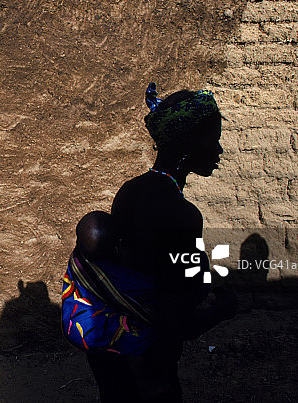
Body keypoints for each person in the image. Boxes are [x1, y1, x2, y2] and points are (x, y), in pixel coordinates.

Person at [63, 83, 237, 402]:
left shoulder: (130, 191)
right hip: (150, 366)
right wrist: (224, 310)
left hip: (112, 353)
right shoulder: (181, 215)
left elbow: (134, 276)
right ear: (187, 142)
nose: (219, 150)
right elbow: (176, 322)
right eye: (213, 139)